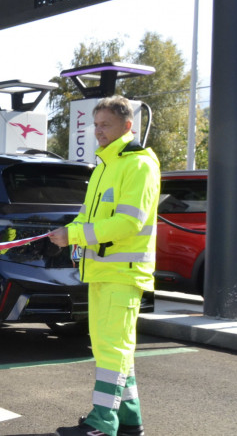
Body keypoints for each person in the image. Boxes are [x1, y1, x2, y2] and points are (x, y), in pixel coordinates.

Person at [49, 96, 159, 436]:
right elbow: (87, 216)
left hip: (123, 274)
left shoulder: (138, 164)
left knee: (113, 350)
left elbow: (128, 224)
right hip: (103, 272)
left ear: (128, 126)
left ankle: (102, 423)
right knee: (111, 349)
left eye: (105, 125)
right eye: (96, 125)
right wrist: (73, 236)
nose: (98, 132)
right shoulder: (104, 166)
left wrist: (77, 235)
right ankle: (129, 420)